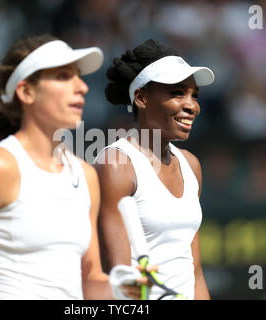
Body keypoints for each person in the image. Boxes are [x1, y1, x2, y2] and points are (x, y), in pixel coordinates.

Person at [0, 34, 147, 300]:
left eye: (78, 76)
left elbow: (88, 280)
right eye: (64, 76)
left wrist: (123, 288)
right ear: (26, 92)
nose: (82, 87)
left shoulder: (86, 175)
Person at [94, 39, 215, 300]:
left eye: (194, 95)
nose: (192, 105)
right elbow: (120, 279)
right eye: (177, 93)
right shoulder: (116, 165)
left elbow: (195, 274)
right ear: (141, 98)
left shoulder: (191, 165)